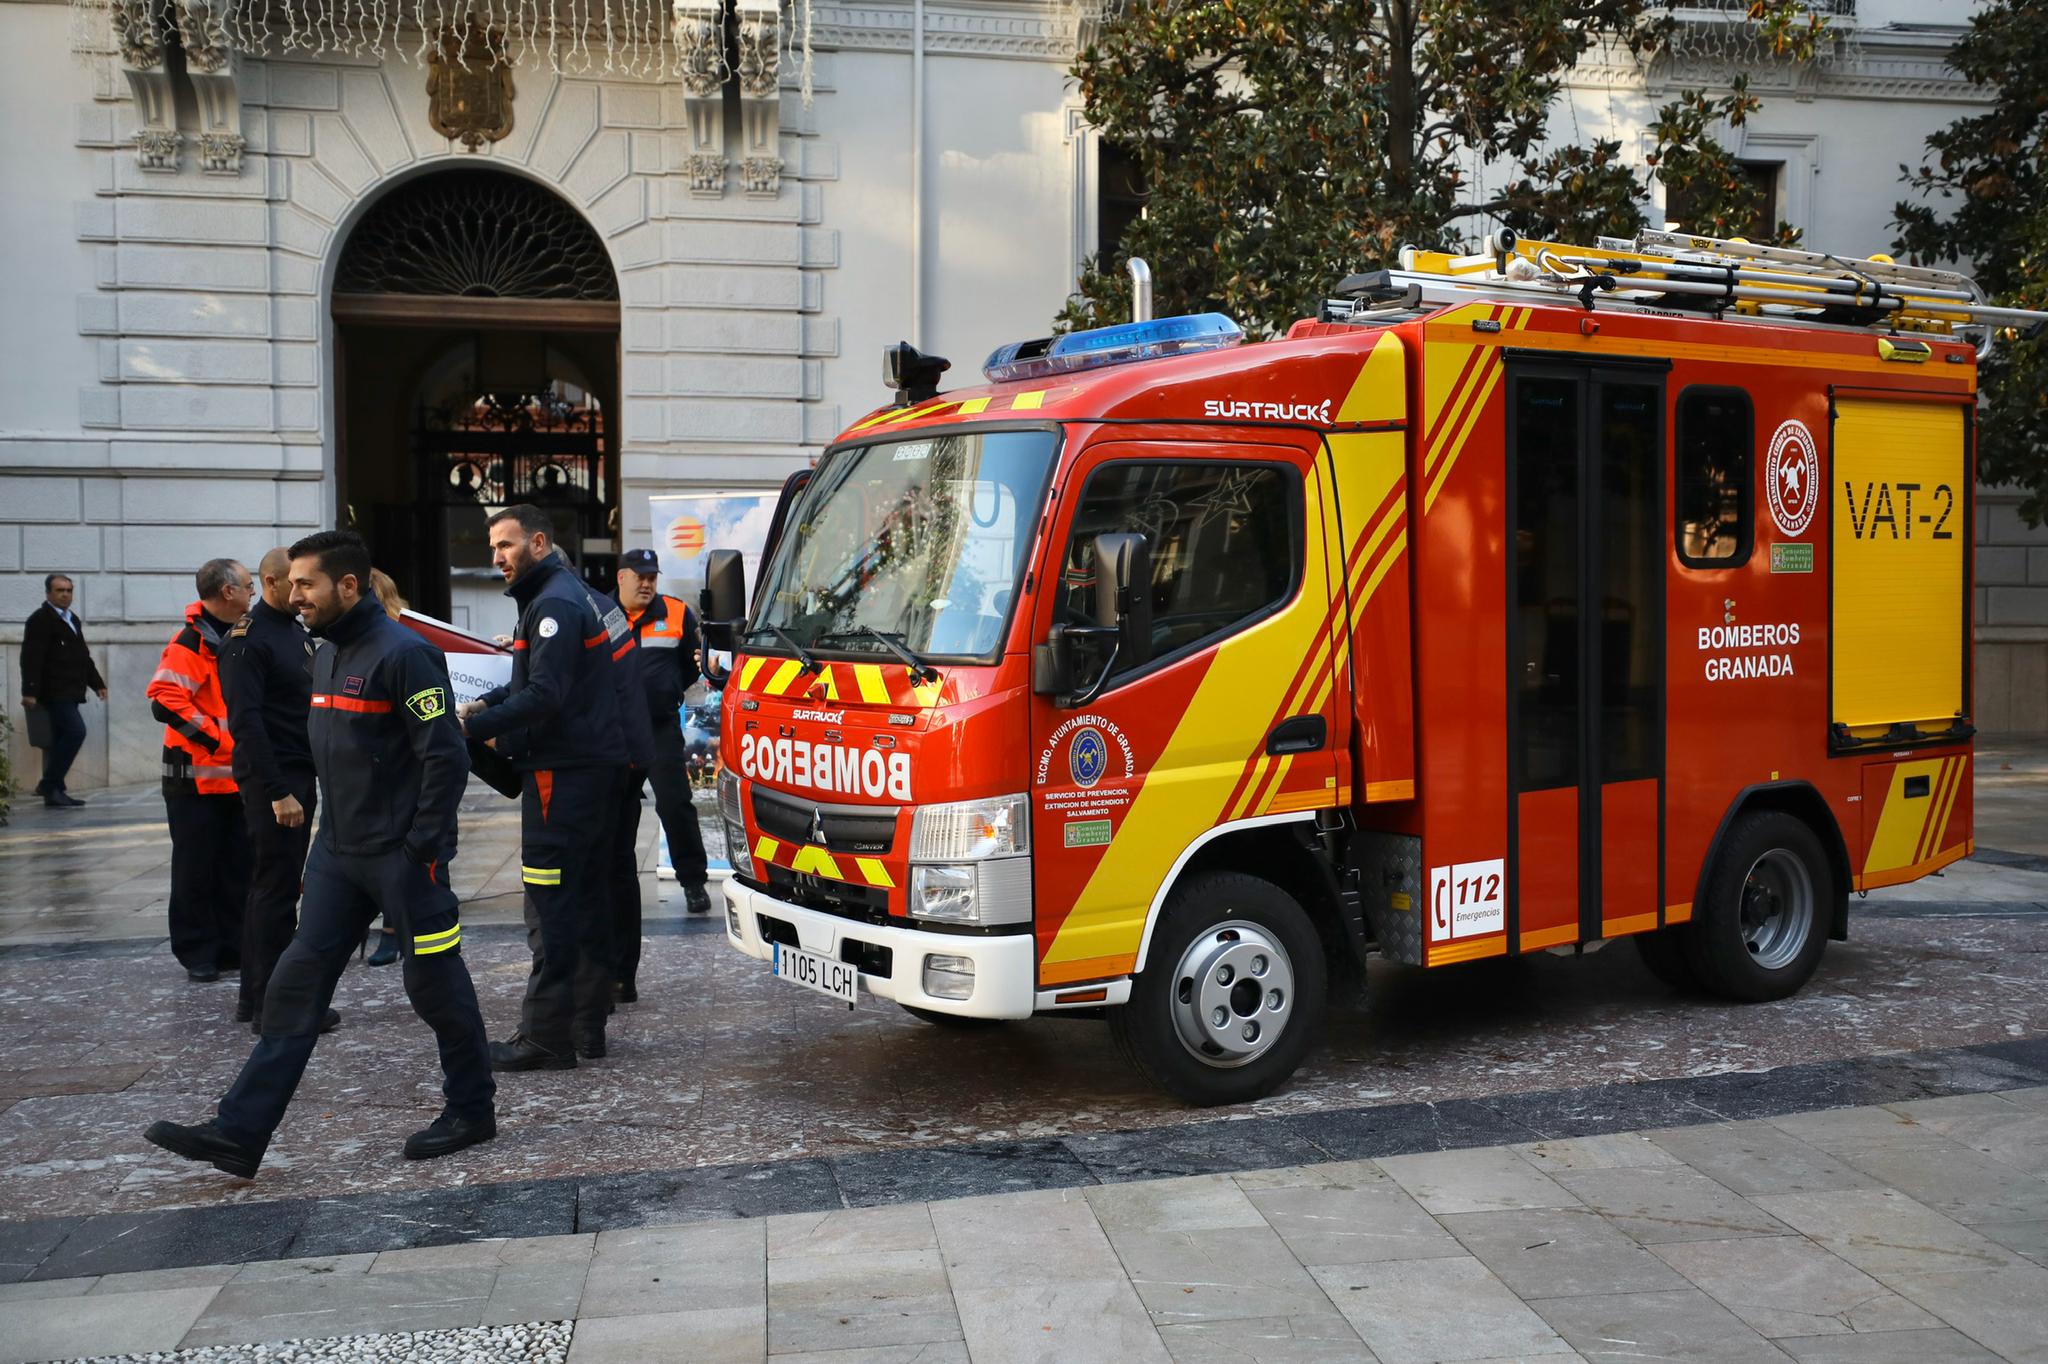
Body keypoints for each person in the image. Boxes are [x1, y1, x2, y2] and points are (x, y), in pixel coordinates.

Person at [143, 530, 496, 1178]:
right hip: (338, 854)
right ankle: (238, 1132)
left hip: (402, 859)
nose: (292, 593)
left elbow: (445, 755)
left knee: (434, 986)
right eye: (292, 583)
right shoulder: (324, 653)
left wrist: (422, 846)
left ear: (348, 585)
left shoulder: (405, 654)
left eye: (306, 583)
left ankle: (472, 1108)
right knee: (293, 984)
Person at [459, 506, 626, 1070]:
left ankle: (546, 1036)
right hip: (589, 770)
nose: (497, 558)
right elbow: (528, 685)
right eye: (492, 548)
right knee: (588, 897)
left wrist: (470, 728)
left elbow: (547, 695)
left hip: (563, 774)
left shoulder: (551, 603)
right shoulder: (566, 593)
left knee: (550, 902)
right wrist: (485, 704)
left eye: (505, 545)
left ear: (537, 542)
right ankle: (587, 1027)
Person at [219, 547, 331, 1033]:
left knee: (275, 886)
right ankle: (275, 1009)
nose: (303, 592)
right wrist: (278, 791)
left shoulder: (294, 632)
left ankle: (257, 998)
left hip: (298, 774)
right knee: (276, 890)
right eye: (297, 583)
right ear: (270, 581)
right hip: (276, 779)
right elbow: (246, 725)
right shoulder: (248, 640)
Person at [610, 549, 711, 1003]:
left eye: (653, 577)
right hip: (612, 732)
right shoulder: (602, 611)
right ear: (622, 578)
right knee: (615, 811)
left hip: (659, 727)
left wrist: (669, 686)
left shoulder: (675, 612)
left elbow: (693, 661)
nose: (648, 584)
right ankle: (612, 880)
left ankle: (693, 882)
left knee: (674, 804)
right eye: (640, 577)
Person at [147, 559, 254, 983]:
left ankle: (232, 946)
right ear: (227, 592)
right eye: (249, 586)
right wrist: (219, 741)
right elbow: (164, 700)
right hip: (193, 781)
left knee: (236, 867)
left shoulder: (236, 635)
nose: (253, 594)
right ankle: (198, 952)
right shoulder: (190, 642)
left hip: (233, 779)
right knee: (195, 868)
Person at [19, 574, 108, 808]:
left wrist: (97, 683)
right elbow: (31, 657)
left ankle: (54, 791)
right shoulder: (40, 619)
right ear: (49, 593)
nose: (65, 594)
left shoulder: (72, 619)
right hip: (53, 692)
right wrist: (29, 691)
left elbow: (83, 656)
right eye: (60, 590)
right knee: (75, 732)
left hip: (71, 690)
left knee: (61, 738)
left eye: (69, 590)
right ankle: (49, 784)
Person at [365, 568, 409, 968]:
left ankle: (393, 932)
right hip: (361, 776)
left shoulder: (404, 643)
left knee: (399, 855)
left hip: (399, 770)